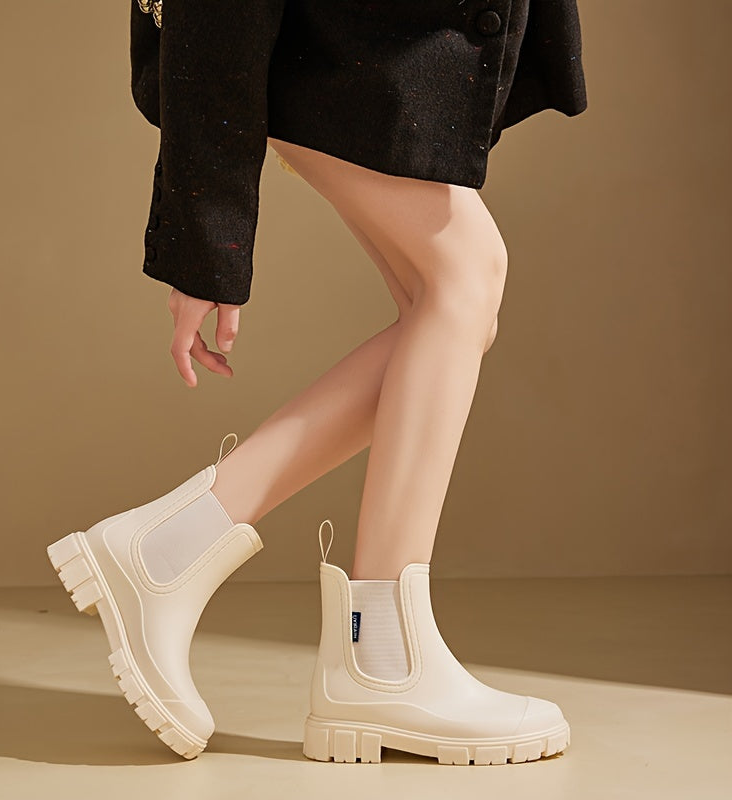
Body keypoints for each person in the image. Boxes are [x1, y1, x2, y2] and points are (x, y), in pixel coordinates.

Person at [47, 0, 588, 765]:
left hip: (375, 50)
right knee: (464, 279)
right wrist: (202, 240)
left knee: (451, 310)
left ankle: (171, 550)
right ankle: (380, 660)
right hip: (322, 42)